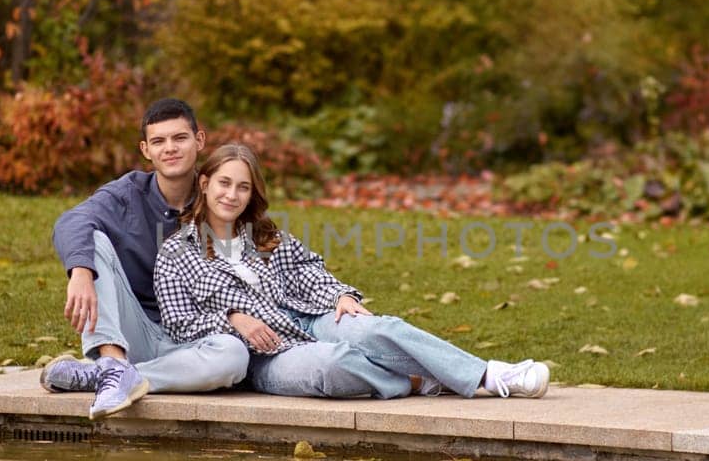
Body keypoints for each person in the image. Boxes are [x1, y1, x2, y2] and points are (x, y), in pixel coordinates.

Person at [154, 143, 549, 400]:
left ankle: (490, 376)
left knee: (379, 329)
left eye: (243, 187)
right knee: (332, 364)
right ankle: (420, 379)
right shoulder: (175, 254)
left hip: (308, 317)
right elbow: (178, 324)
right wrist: (232, 319)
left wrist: (339, 296)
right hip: (268, 355)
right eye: (224, 183)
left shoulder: (263, 234)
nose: (232, 195)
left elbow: (308, 270)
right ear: (204, 184)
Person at [42, 99, 249, 416]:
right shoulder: (128, 194)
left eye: (179, 138)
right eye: (159, 141)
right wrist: (81, 271)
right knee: (92, 239)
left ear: (199, 140)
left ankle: (110, 375)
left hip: (196, 337)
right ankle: (113, 361)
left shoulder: (221, 195)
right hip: (134, 330)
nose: (170, 148)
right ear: (145, 149)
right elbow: (72, 222)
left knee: (234, 358)